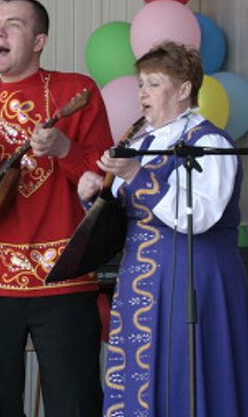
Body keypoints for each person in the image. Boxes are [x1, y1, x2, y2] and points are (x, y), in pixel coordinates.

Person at [0, 0, 113, 416]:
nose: (0, 31)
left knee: (76, 401)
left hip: (63, 274)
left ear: (39, 41)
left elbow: (106, 180)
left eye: (13, 24)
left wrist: (65, 148)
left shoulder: (76, 90)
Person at [78, 41, 248, 416]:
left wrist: (137, 175)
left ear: (184, 89)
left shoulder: (208, 142)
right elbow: (129, 215)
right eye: (140, 84)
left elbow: (197, 216)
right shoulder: (142, 141)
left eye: (154, 83)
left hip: (192, 281)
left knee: (185, 378)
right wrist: (96, 195)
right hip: (143, 283)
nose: (142, 93)